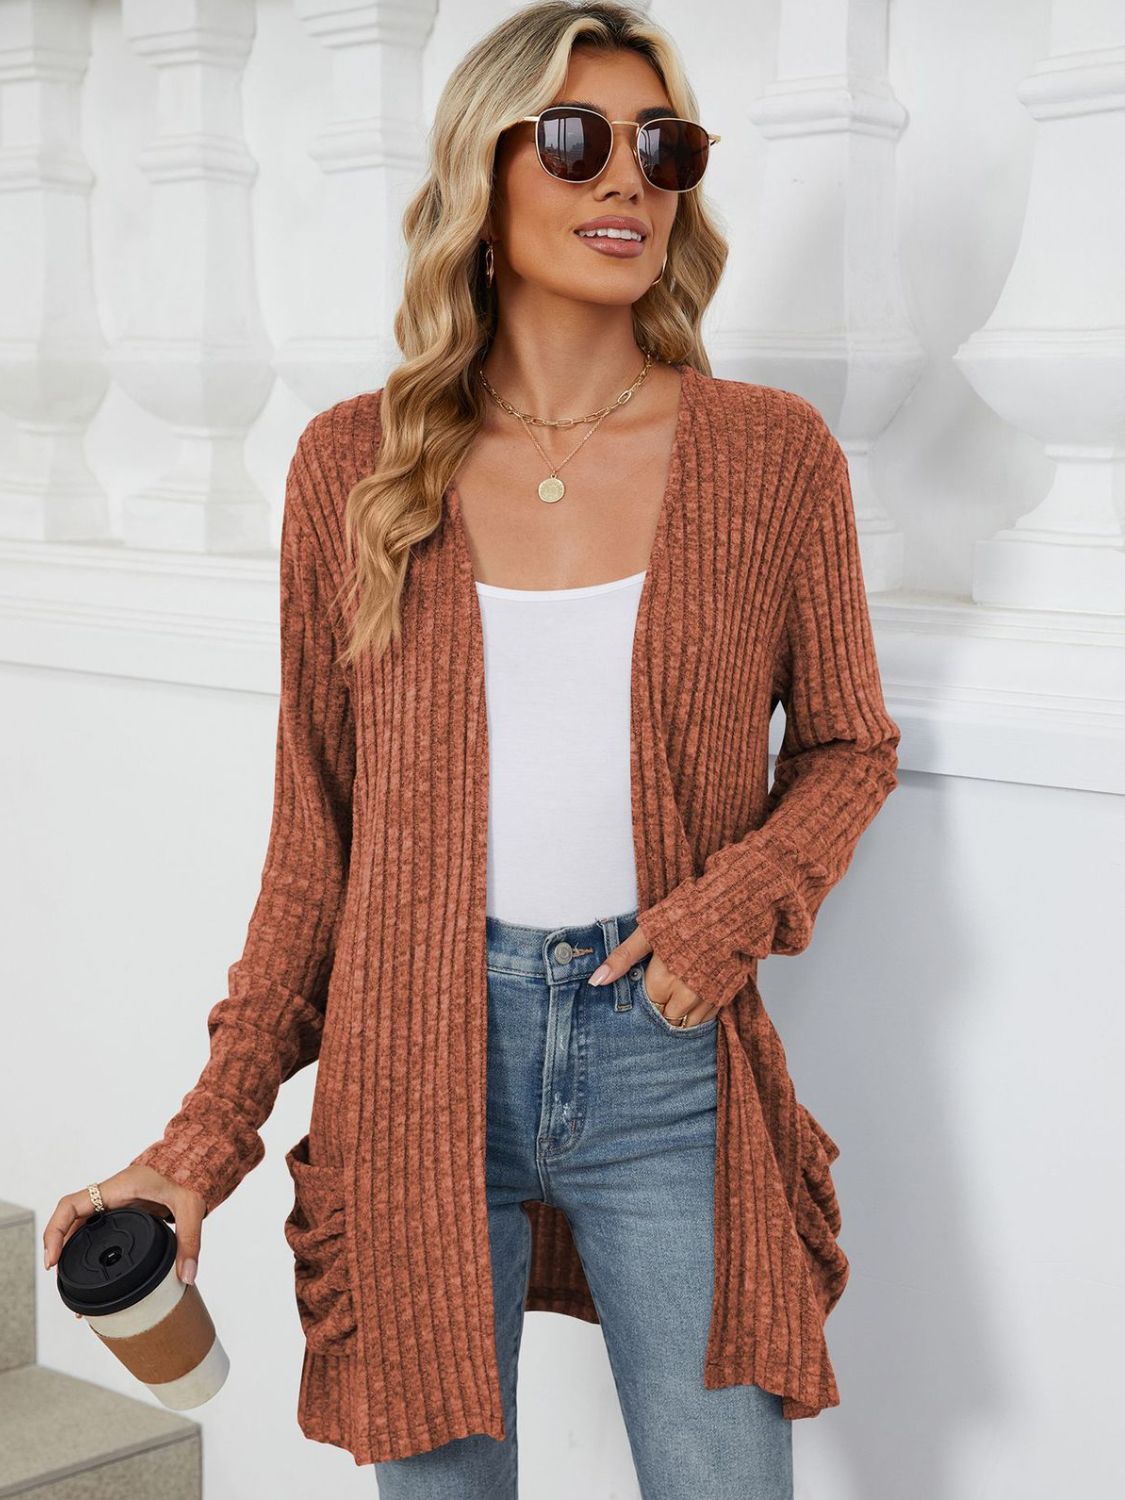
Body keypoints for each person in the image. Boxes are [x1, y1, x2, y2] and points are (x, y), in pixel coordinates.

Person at [44, 4, 900, 1495]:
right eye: (574, 140)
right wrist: (194, 1152)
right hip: (411, 1063)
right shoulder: (354, 468)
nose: (626, 178)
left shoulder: (770, 459)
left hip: (665, 1059)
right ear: (480, 177)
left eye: (663, 147)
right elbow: (314, 860)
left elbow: (847, 745)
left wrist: (727, 910)